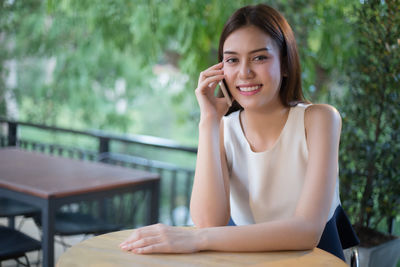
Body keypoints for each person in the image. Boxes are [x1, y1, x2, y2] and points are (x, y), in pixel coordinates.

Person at [119, 3, 358, 260]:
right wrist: (209, 121)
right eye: (232, 60)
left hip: (315, 258)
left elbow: (307, 231)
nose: (244, 72)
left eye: (259, 57)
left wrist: (193, 238)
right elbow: (209, 221)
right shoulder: (224, 128)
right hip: (248, 257)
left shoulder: (320, 119)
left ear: (286, 64)